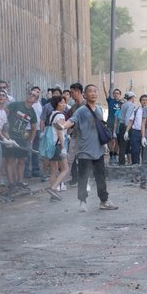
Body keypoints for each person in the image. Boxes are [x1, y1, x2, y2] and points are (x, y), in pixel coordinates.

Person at [53, 84, 118, 212]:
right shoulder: (81, 110)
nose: (93, 93)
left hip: (98, 150)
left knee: (101, 177)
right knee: (83, 178)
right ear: (85, 95)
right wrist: (63, 126)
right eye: (90, 92)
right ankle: (82, 202)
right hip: (84, 151)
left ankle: (103, 201)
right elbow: (72, 121)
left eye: (95, 91)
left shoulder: (99, 109)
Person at [4, 86, 40, 191]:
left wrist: (31, 141)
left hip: (22, 138)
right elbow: (4, 112)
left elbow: (34, 128)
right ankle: (11, 183)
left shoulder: (32, 112)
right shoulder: (16, 104)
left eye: (33, 95)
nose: (30, 96)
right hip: (10, 136)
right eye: (30, 94)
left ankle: (19, 181)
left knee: (22, 160)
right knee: (10, 160)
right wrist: (5, 126)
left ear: (36, 100)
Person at [44, 94, 70, 201]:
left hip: (51, 145)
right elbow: (60, 132)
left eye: (64, 102)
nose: (64, 104)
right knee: (65, 169)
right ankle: (53, 187)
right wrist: (63, 147)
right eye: (62, 103)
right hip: (58, 145)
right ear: (56, 104)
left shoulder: (52, 114)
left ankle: (53, 195)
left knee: (53, 171)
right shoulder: (60, 116)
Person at [118, 91, 136, 165]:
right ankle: (125, 162)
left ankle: (121, 162)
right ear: (132, 97)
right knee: (127, 144)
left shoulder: (124, 104)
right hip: (127, 125)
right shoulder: (131, 105)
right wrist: (127, 130)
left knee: (122, 145)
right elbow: (128, 117)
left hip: (121, 125)